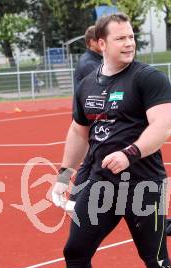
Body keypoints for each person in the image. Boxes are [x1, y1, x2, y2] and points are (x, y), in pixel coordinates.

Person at [27, 12, 171, 268]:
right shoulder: (87, 84)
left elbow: (163, 125)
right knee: (75, 252)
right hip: (99, 186)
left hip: (142, 184)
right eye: (120, 39)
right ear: (101, 44)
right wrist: (64, 176)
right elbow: (79, 133)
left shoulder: (149, 78)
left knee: (156, 261)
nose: (129, 43)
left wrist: (130, 153)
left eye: (131, 37)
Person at [69, 25, 103, 205]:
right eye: (100, 39)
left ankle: (77, 197)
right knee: (90, 158)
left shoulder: (95, 60)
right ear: (91, 42)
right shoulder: (90, 63)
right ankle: (75, 198)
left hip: (94, 115)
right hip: (90, 117)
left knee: (94, 157)